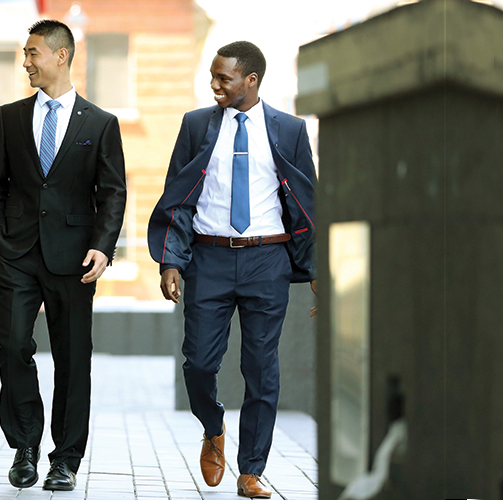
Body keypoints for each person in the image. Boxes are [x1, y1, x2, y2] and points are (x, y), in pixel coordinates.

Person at [146, 41, 316, 499]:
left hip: (267, 260)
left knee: (262, 368)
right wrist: (171, 260)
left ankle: (252, 470)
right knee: (199, 362)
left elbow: (306, 202)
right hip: (210, 258)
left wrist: (316, 271)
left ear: (251, 80)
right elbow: (178, 198)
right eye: (213, 77)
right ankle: (213, 425)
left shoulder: (290, 129)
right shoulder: (196, 124)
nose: (215, 85)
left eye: (224, 78)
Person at [0, 20, 127, 492]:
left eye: (33, 53)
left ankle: (65, 459)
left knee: (72, 359)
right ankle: (25, 444)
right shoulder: (9, 117)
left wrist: (103, 247)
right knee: (13, 344)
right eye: (25, 54)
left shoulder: (101, 123)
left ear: (60, 56)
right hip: (17, 255)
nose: (26, 62)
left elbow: (113, 193)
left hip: (75, 259)